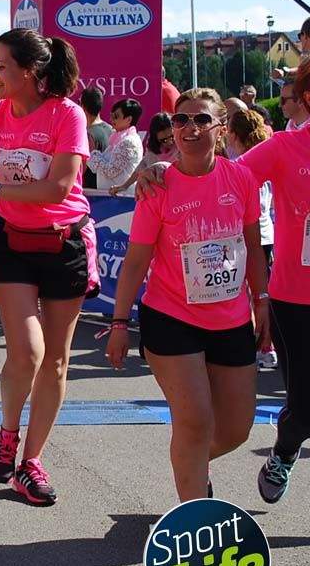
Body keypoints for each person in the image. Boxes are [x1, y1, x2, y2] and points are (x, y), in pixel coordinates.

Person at [0, 28, 97, 506]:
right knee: (28, 351)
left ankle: (30, 462)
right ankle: (7, 435)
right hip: (13, 242)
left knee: (56, 359)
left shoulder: (67, 114)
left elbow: (58, 188)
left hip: (63, 242)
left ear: (30, 73)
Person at [107, 88, 267, 502]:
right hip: (171, 317)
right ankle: (195, 520)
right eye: (181, 121)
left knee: (235, 429)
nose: (190, 128)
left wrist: (261, 301)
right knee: (194, 421)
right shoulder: (157, 186)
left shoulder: (242, 179)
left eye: (201, 120)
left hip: (230, 320)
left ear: (220, 129)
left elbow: (251, 247)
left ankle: (190, 462)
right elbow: (137, 261)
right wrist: (119, 323)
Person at [237, 60, 310, 503]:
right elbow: (226, 177)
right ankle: (284, 449)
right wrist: (169, 171)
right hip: (296, 299)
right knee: (305, 409)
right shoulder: (285, 148)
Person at [226, 108, 278, 370]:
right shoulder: (262, 155)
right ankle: (264, 347)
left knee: (253, 295)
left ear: (233, 135)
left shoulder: (246, 162)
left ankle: (264, 348)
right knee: (258, 294)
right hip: (264, 234)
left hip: (252, 235)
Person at [88, 98, 144, 194]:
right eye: (111, 116)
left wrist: (93, 152)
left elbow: (111, 171)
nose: (112, 119)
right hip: (112, 197)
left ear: (128, 119)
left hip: (122, 199)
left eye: (116, 116)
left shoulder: (129, 142)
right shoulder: (118, 139)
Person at [110, 113, 174, 196]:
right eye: (164, 140)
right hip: (158, 194)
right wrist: (125, 186)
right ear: (156, 139)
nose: (170, 142)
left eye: (172, 137)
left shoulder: (183, 145)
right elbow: (143, 165)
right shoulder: (152, 149)